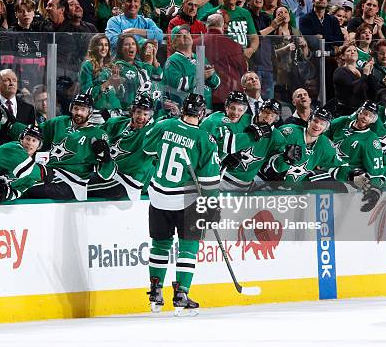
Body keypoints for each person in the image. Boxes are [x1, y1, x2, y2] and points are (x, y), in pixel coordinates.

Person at [143, 93, 220, 315]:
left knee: (160, 244)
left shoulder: (164, 124)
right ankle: (181, 293)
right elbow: (209, 182)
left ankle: (155, 290)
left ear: (183, 109)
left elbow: (148, 150)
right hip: (185, 200)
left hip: (158, 196)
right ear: (202, 113)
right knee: (188, 246)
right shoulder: (205, 139)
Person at [3, 92, 116, 201]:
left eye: (83, 109)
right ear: (71, 108)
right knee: (13, 176)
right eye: (76, 108)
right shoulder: (59, 122)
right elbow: (34, 134)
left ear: (90, 112)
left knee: (28, 187)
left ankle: (4, 194)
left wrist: (106, 159)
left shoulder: (98, 135)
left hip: (72, 182)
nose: (79, 112)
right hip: (50, 173)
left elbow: (107, 175)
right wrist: (10, 125)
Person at [326, 100, 386, 212]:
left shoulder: (371, 140)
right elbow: (322, 138)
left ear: (373, 120)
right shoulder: (342, 122)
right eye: (364, 113)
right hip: (327, 167)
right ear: (359, 112)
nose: (365, 117)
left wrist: (374, 191)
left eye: (370, 116)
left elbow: (376, 173)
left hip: (346, 178)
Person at [90, 94, 157, 200]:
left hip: (127, 182)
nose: (141, 117)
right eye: (139, 112)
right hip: (107, 173)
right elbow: (93, 134)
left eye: (146, 114)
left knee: (80, 185)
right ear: (133, 111)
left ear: (150, 116)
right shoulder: (118, 123)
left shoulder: (150, 133)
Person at [220, 99, 286, 191]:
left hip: (246, 185)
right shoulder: (242, 119)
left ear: (276, 118)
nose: (268, 117)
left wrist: (287, 159)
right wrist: (225, 155)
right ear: (260, 111)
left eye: (273, 115)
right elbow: (221, 140)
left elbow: (274, 163)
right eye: (266, 112)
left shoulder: (277, 138)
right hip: (222, 178)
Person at [0, 124, 52, 203]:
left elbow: (19, 191)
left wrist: (6, 195)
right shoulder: (13, 147)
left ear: (39, 146)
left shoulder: (31, 170)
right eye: (27, 139)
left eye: (34, 140)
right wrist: (44, 171)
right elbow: (26, 170)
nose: (29, 143)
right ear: (21, 139)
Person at [163, 25, 220, 110]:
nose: (185, 35)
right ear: (173, 43)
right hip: (185, 111)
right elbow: (178, 86)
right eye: (180, 35)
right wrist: (200, 76)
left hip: (205, 109)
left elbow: (216, 84)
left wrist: (211, 76)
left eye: (187, 33)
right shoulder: (172, 61)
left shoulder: (200, 57)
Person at [203, 14, 247, 111]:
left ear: (206, 26)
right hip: (229, 96)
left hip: (203, 97)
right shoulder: (235, 46)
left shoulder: (195, 43)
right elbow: (243, 72)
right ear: (223, 27)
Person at [332, 43, 373, 116]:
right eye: (349, 51)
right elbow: (353, 89)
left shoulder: (361, 70)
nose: (353, 52)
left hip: (363, 111)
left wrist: (370, 74)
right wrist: (365, 75)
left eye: (355, 50)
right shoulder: (340, 71)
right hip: (346, 112)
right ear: (342, 56)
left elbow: (373, 92)